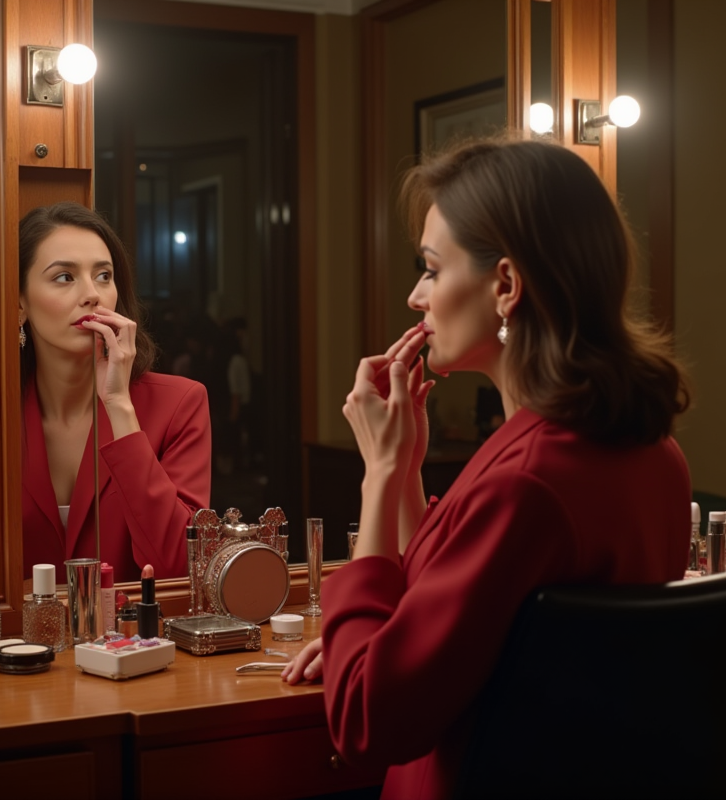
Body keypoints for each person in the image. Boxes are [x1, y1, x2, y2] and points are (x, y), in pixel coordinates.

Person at [280, 136, 693, 799]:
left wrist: (380, 477)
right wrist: (410, 466)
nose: (417, 296)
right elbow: (451, 606)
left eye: (431, 269)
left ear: (505, 285)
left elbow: (365, 722)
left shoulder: (527, 482)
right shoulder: (649, 452)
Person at [0, 202, 211, 594]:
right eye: (64, 277)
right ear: (18, 304)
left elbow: (182, 570)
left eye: (104, 275)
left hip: (141, 649)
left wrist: (119, 408)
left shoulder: (180, 404)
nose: (92, 295)